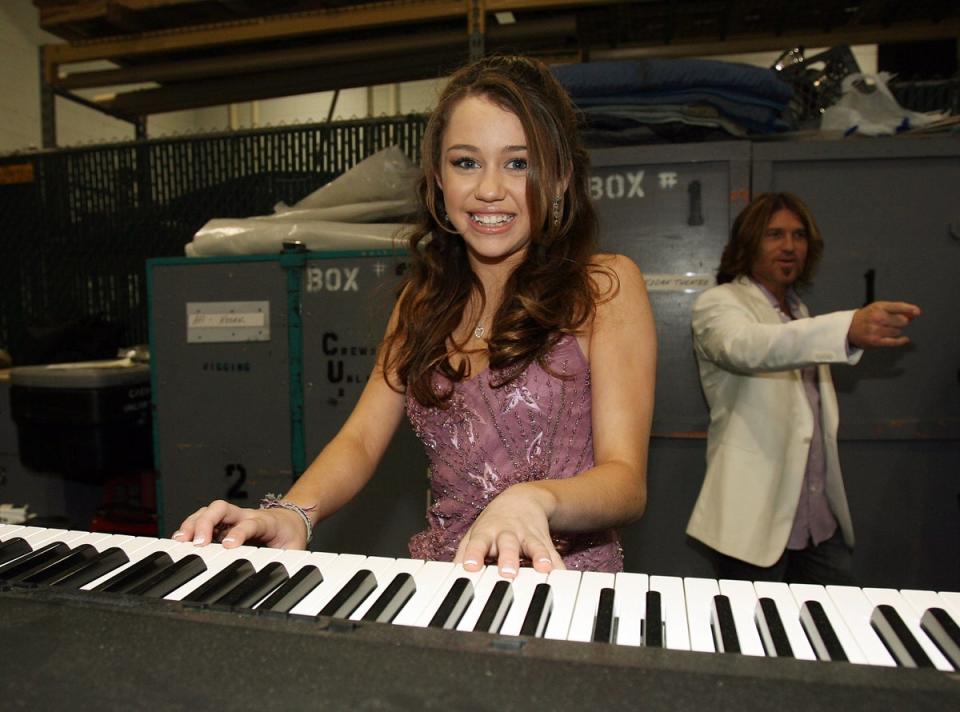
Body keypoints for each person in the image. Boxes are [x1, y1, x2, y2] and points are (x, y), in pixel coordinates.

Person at [173, 55, 657, 577]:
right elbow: (359, 441)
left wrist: (534, 500)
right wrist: (292, 515)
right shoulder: (421, 303)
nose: (489, 188)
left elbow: (626, 482)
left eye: (519, 163)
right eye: (466, 162)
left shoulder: (604, 287)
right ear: (438, 180)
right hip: (443, 583)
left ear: (561, 178)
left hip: (564, 586)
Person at [687, 192, 921, 584]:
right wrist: (846, 328)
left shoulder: (798, 312)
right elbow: (747, 347)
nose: (790, 246)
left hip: (818, 522)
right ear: (748, 244)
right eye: (774, 234)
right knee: (752, 639)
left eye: (799, 236)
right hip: (753, 525)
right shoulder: (719, 303)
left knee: (828, 635)